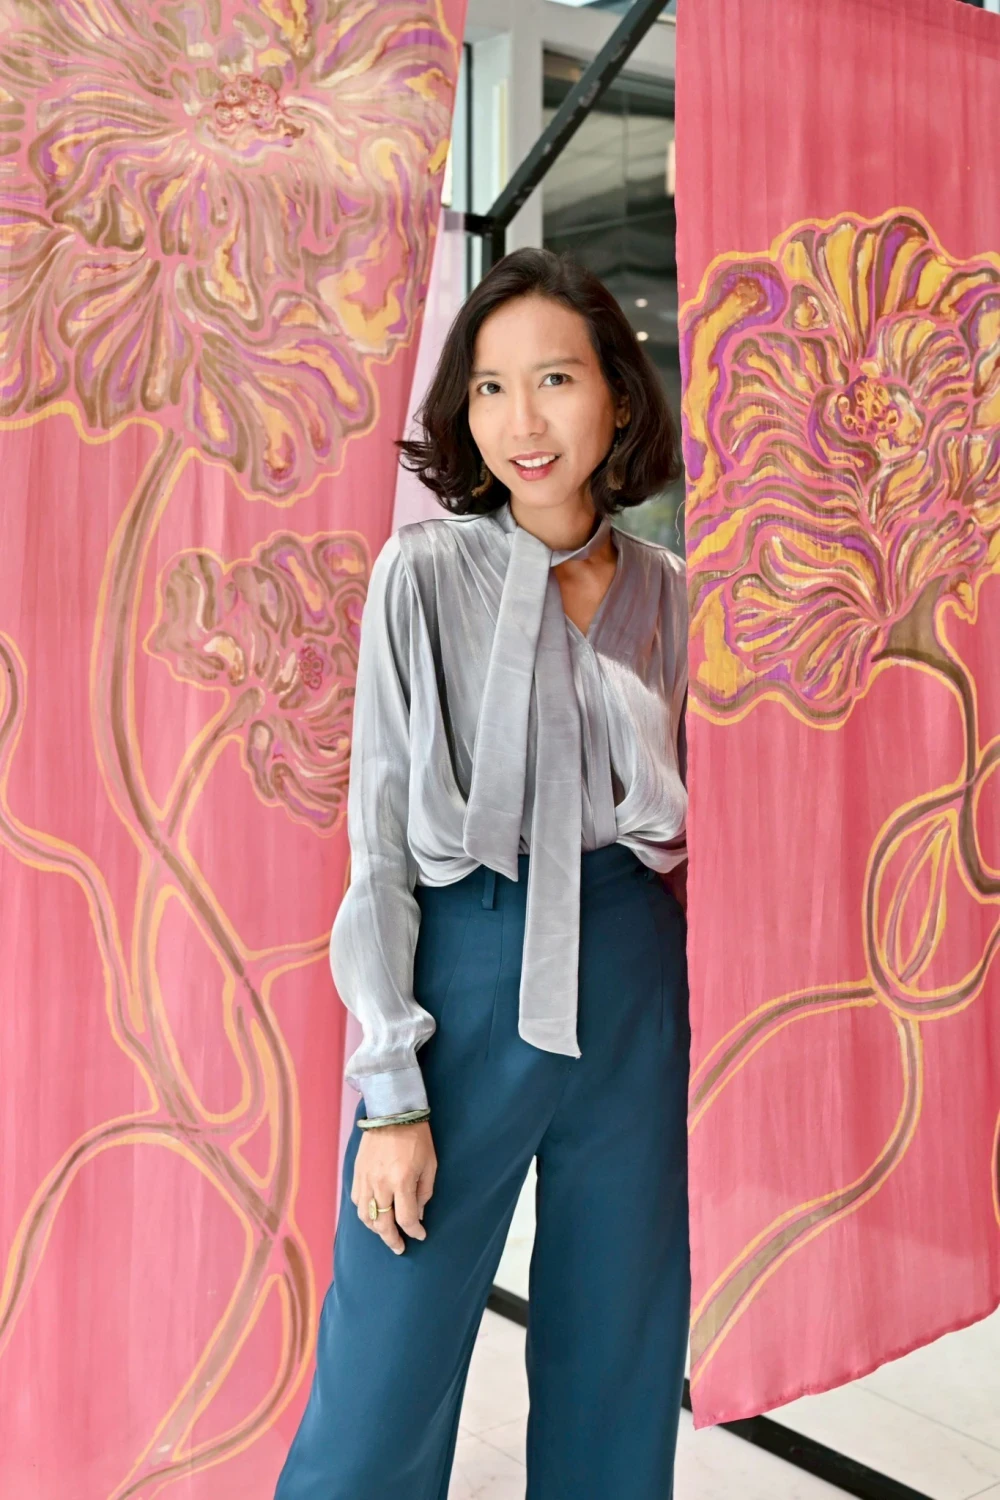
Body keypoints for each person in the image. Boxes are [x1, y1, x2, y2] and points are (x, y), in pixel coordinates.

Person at [274, 246, 690, 1500]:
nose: (522, 422)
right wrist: (392, 1093)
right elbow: (380, 840)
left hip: (630, 972)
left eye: (554, 379)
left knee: (617, 1364)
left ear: (614, 393)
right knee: (378, 1387)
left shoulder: (676, 596)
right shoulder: (421, 575)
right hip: (461, 973)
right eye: (491, 388)